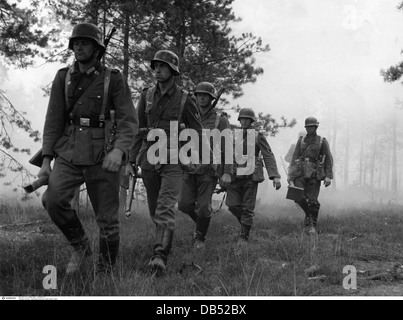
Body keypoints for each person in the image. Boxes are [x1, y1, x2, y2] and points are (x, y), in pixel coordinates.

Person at [38, 22, 137, 275]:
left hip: (103, 152)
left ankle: (105, 273)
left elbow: (128, 121)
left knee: (107, 220)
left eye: (85, 43)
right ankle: (81, 247)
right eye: (76, 43)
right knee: (52, 199)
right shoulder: (63, 76)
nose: (79, 47)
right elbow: (54, 120)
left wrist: (119, 151)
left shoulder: (113, 79)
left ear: (97, 48)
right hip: (69, 150)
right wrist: (46, 160)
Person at [129, 50, 205, 275]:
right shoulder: (147, 96)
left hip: (174, 158)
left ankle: (160, 256)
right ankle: (162, 240)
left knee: (165, 206)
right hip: (150, 158)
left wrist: (191, 156)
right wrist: (131, 159)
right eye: (156, 66)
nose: (157, 70)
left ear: (173, 70)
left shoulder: (184, 99)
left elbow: (197, 132)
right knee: (155, 209)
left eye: (162, 66)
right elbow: (136, 128)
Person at [178, 82, 232, 254]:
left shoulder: (220, 120)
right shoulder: (187, 115)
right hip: (190, 166)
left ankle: (200, 238)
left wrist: (227, 172)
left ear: (211, 98)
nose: (201, 98)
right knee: (184, 205)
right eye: (199, 95)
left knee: (202, 207)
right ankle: (202, 223)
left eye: (205, 95)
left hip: (209, 169)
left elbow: (228, 146)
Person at [226, 108, 282, 243]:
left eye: (247, 119)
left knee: (247, 208)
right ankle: (246, 223)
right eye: (242, 119)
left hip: (251, 177)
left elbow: (268, 155)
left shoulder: (258, 136)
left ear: (251, 121)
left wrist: (275, 175)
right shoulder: (232, 135)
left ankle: (244, 236)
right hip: (235, 175)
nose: (244, 121)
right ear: (239, 120)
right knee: (232, 205)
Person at [288, 116, 333, 235]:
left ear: (316, 127)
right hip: (300, 173)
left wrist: (328, 176)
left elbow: (328, 158)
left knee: (312, 201)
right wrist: (290, 174)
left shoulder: (322, 141)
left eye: (312, 127)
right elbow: (294, 157)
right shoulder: (301, 140)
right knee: (297, 196)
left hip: (314, 174)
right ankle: (309, 215)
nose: (309, 129)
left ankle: (311, 225)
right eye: (307, 127)